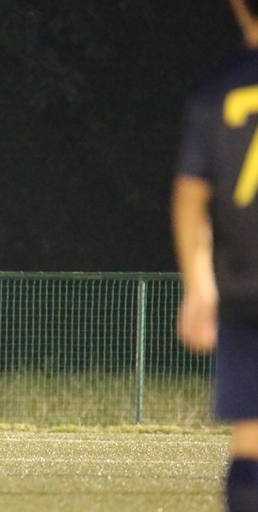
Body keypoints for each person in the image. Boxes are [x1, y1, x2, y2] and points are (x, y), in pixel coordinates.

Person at [172, 1, 258, 510]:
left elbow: (190, 196)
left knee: (250, 443)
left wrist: (200, 286)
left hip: (244, 290)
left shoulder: (218, 88)